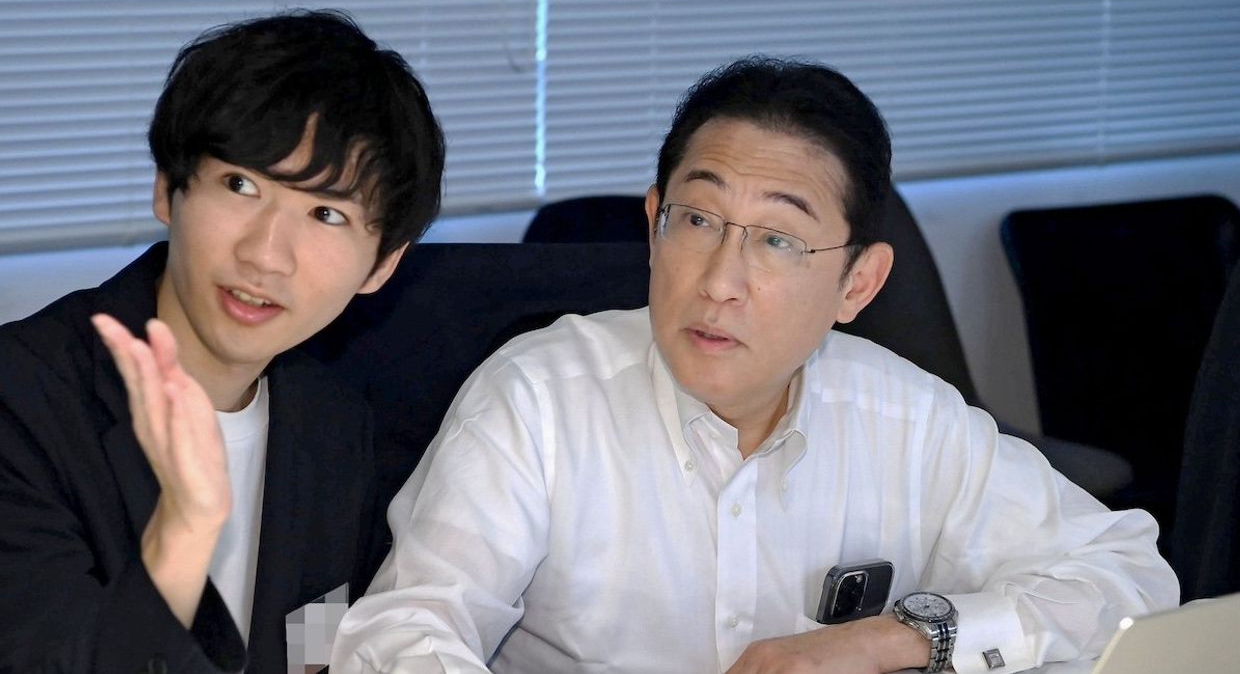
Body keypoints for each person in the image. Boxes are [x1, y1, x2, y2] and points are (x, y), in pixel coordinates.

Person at [332, 56, 1178, 674]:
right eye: (698, 220)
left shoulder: (905, 417)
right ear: (654, 226)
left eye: (777, 239)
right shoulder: (536, 400)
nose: (719, 281)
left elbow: (1128, 575)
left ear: (858, 283)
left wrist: (896, 638)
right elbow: (404, 633)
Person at [0, 10, 444, 672]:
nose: (266, 255)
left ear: (382, 265)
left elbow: (310, 650)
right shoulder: (21, 402)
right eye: (241, 185)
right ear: (167, 188)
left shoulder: (334, 426)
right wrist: (185, 525)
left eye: (326, 214)